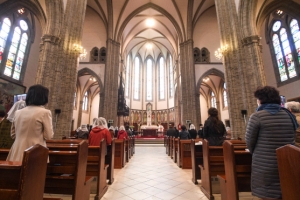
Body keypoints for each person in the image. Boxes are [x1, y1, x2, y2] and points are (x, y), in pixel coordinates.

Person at [246, 86, 298, 200]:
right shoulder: (289, 116)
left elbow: (249, 142)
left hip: (265, 164)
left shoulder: (257, 116)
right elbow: (292, 137)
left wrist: (259, 153)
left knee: (268, 194)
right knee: (287, 191)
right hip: (287, 161)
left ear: (261, 100)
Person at [6, 84, 54, 162]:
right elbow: (48, 135)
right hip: (35, 150)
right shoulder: (45, 112)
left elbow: (13, 134)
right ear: (43, 97)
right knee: (33, 173)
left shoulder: (17, 112)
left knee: (16, 173)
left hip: (17, 150)